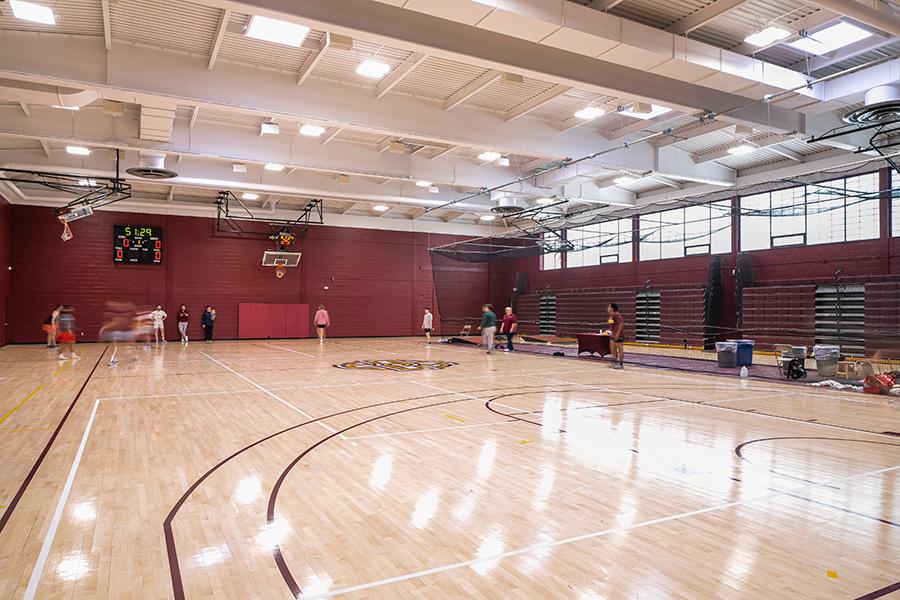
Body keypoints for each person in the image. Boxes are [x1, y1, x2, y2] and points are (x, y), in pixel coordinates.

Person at [99, 301, 136, 367]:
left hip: (127, 330)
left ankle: (133, 356)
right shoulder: (110, 313)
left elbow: (132, 321)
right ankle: (113, 360)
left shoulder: (128, 311)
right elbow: (111, 322)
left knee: (130, 344)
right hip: (116, 331)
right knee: (114, 345)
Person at [607, 302, 625, 369]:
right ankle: (614, 362)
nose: (608, 308)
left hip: (618, 334)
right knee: (612, 349)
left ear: (612, 308)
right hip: (612, 334)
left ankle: (621, 364)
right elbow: (612, 325)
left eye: (609, 307)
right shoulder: (611, 316)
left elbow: (621, 324)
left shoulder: (617, 314)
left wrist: (618, 334)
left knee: (620, 349)